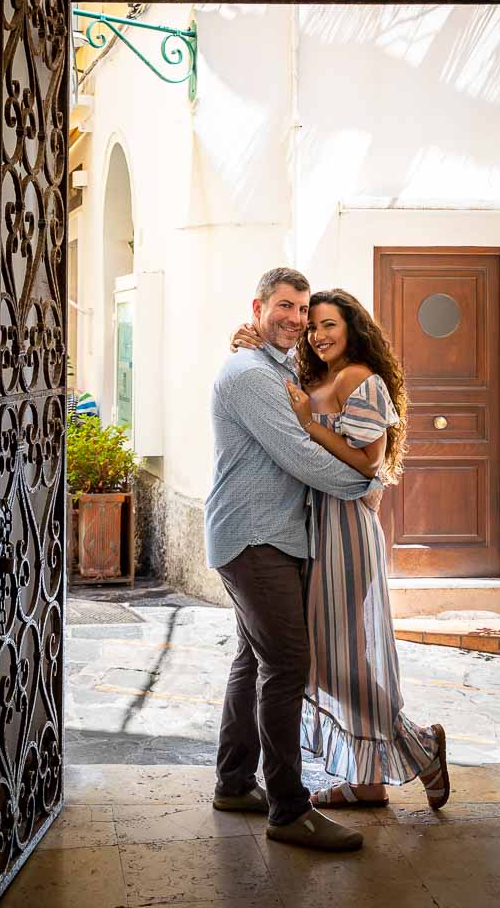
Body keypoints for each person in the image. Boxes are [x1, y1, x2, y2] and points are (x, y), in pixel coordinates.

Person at [230, 288, 449, 812]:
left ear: (352, 328)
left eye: (329, 324)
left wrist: (308, 424)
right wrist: (243, 340)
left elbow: (368, 462)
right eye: (312, 326)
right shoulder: (314, 378)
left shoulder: (359, 380)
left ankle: (423, 749)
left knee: (350, 657)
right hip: (312, 529)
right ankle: (368, 780)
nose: (319, 334)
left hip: (347, 531)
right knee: (327, 659)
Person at [205, 267, 380, 853]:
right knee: (287, 663)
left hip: (271, 535)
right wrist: (365, 482)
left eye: (303, 309)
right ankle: (288, 808)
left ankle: (233, 784)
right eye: (285, 306)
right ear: (258, 306)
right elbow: (300, 455)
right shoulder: (251, 375)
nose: (297, 319)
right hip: (255, 538)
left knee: (253, 661)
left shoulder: (271, 365)